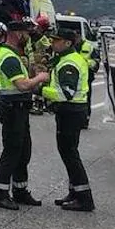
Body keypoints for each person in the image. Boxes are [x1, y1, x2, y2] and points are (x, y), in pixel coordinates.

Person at [0, 17, 50, 210]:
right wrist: (40, 78)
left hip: (20, 108)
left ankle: (20, 191)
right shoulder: (8, 57)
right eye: (25, 34)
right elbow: (22, 84)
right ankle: (1, 194)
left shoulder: (15, 54)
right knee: (12, 151)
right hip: (12, 109)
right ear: (17, 34)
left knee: (24, 151)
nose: (27, 37)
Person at [40, 26, 94, 212]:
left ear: (68, 43)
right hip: (73, 111)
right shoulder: (67, 59)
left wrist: (40, 90)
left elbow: (66, 93)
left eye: (56, 40)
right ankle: (74, 193)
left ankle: (84, 198)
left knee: (69, 153)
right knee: (69, 152)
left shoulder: (69, 63)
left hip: (70, 111)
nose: (53, 43)